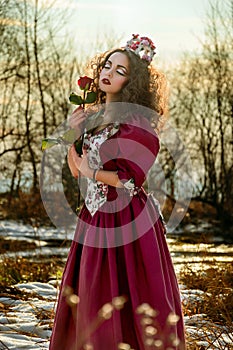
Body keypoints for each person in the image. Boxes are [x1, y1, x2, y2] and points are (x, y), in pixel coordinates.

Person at [49, 34, 186, 350]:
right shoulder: (96, 119)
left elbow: (129, 181)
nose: (108, 73)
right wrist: (76, 133)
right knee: (92, 293)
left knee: (127, 293)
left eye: (120, 70)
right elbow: (75, 170)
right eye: (107, 65)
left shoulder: (138, 124)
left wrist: (92, 172)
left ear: (132, 81)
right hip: (95, 217)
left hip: (127, 219)